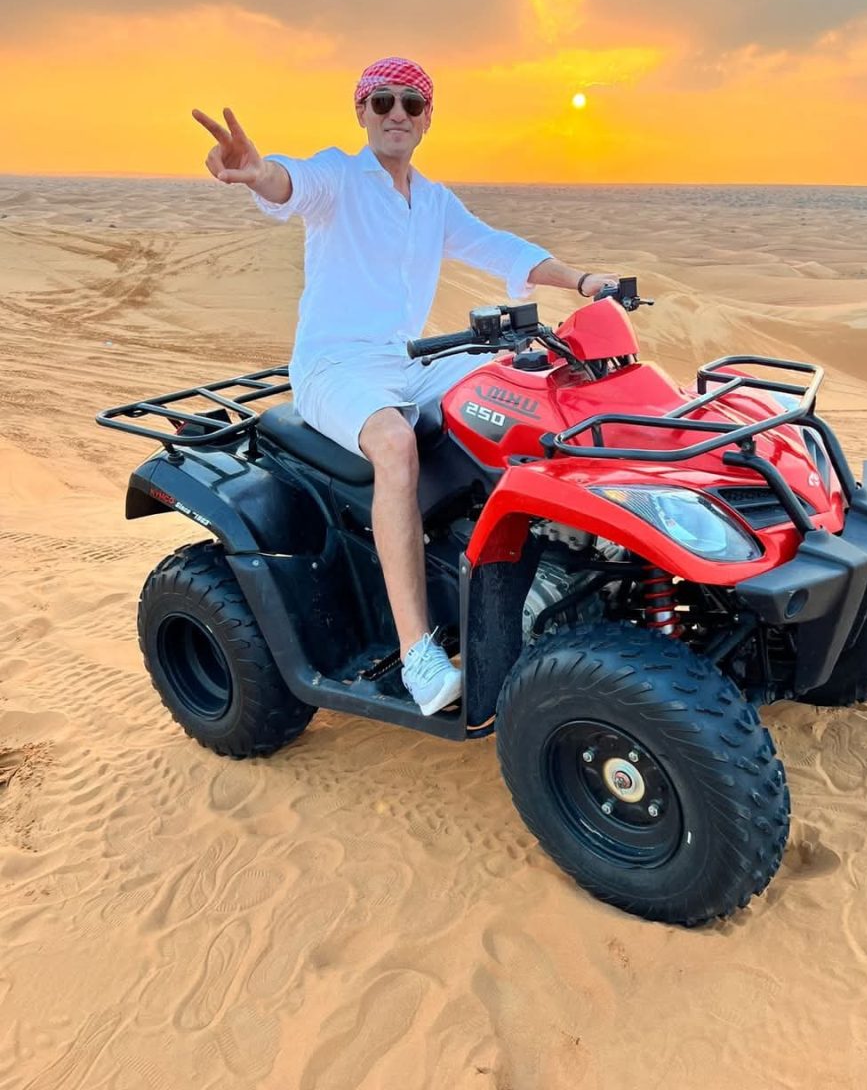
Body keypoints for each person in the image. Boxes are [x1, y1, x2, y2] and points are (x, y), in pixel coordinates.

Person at [193, 56, 618, 716]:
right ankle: (420, 655)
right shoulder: (339, 177)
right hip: (336, 366)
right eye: (382, 102)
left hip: (411, 360)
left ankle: (543, 562)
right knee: (394, 444)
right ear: (361, 112)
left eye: (411, 105)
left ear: (427, 120)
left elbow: (500, 247)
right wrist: (258, 173)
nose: (396, 114)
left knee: (521, 389)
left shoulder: (433, 201)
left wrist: (587, 282)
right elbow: (290, 183)